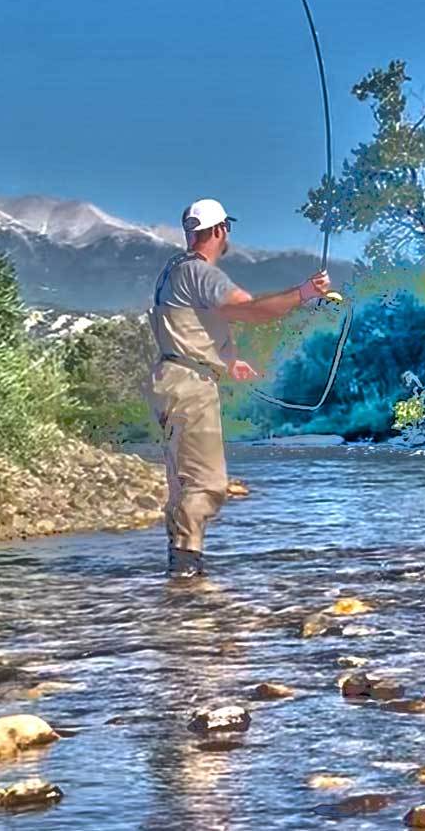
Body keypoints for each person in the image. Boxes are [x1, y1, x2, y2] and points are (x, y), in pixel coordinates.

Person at [147, 197, 331, 577]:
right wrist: (304, 293)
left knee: (183, 484)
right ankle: (186, 569)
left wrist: (230, 361)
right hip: (191, 387)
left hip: (170, 380)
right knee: (209, 485)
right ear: (219, 230)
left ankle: (178, 571)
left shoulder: (173, 270)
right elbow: (250, 310)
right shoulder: (202, 273)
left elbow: (191, 324)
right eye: (226, 228)